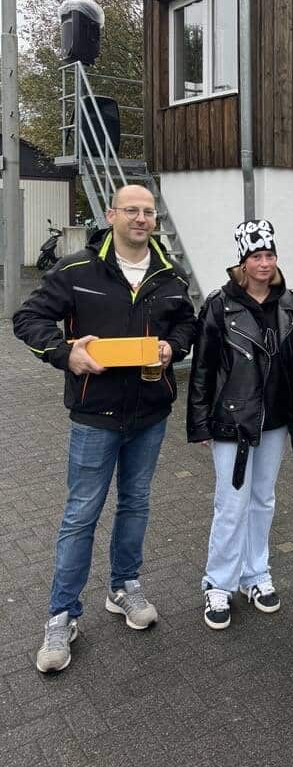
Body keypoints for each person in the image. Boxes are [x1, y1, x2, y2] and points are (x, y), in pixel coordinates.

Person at [13, 184, 195, 673]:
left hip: (150, 416)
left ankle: (124, 587)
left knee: (136, 503)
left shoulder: (169, 275)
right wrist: (65, 353)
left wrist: (172, 348)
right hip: (96, 417)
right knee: (81, 514)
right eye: (131, 210)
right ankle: (61, 614)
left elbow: (187, 325)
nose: (140, 218)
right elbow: (27, 318)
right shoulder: (76, 270)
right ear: (111, 214)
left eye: (148, 212)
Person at [186, 219, 293, 629]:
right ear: (242, 261)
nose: (265, 263)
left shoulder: (292, 304)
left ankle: (256, 575)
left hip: (274, 421)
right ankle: (218, 583)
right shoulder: (220, 305)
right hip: (232, 422)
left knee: (263, 500)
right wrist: (201, 423)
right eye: (257, 256)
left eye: (270, 255)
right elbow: (202, 367)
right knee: (231, 504)